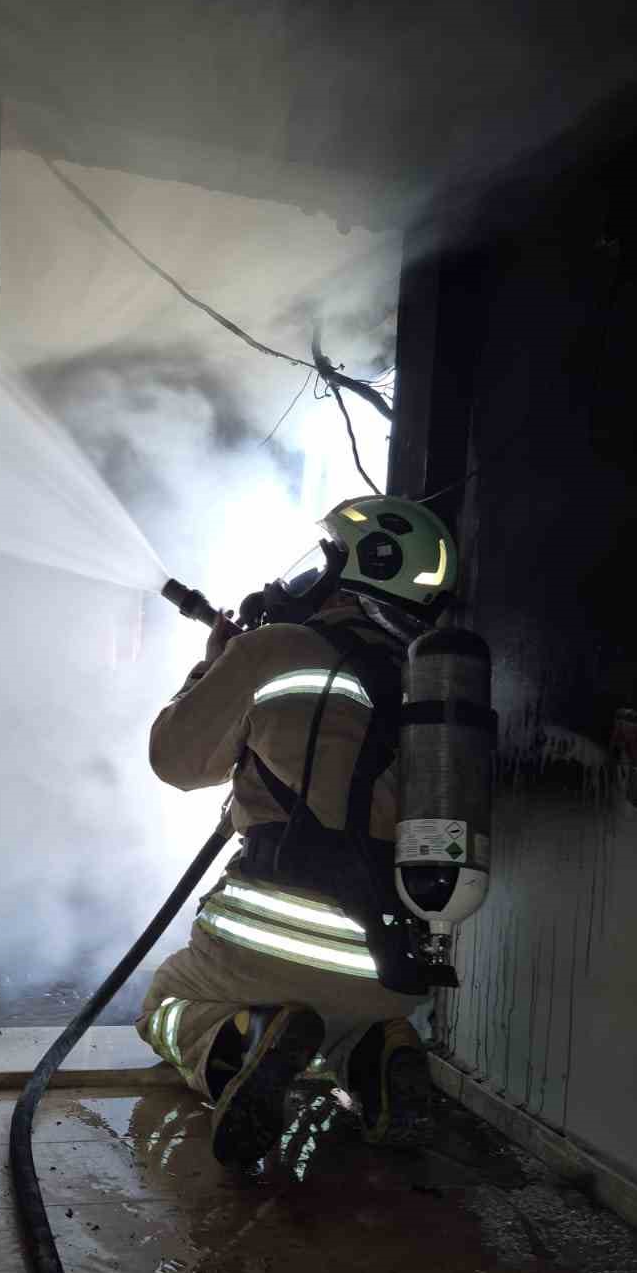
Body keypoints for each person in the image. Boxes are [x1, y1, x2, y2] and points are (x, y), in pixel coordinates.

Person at [137, 495, 458, 1166]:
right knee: (346, 1020)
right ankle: (380, 1054)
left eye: (326, 559)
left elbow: (176, 762)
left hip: (271, 940)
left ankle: (238, 1049)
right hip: (392, 961)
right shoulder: (434, 688)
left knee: (165, 1002)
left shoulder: (277, 649)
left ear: (350, 571)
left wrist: (216, 662)